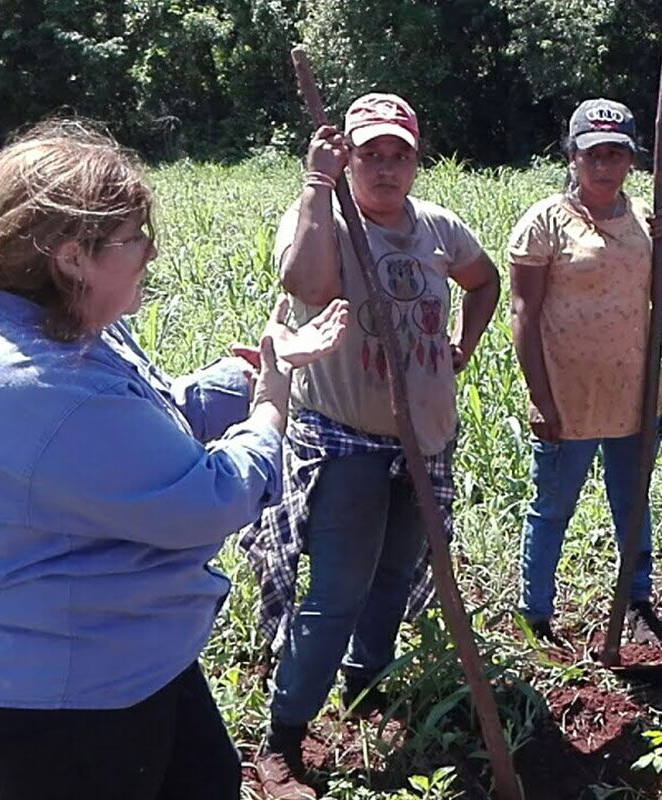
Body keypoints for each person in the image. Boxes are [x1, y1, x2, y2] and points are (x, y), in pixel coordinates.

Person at [0, 120, 349, 800]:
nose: (150, 251)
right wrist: (269, 409)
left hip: (131, 662)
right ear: (71, 257)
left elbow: (142, 420)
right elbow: (203, 503)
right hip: (71, 705)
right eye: (133, 236)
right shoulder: (42, 384)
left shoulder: (68, 336)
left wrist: (241, 379)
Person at [242, 93, 499, 799]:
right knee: (337, 594)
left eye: (399, 155)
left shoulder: (439, 228)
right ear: (347, 157)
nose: (386, 168)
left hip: (425, 441)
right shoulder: (321, 220)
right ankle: (283, 741)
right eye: (370, 154)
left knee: (393, 577)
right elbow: (304, 284)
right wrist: (316, 186)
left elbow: (485, 280)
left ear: (417, 160)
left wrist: (462, 347)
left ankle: (364, 686)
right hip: (347, 441)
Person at [508, 98, 662, 647]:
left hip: (633, 393)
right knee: (552, 508)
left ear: (630, 160)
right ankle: (536, 615)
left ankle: (636, 602)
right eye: (593, 155)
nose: (604, 166)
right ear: (573, 158)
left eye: (616, 154)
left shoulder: (643, 221)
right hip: (567, 396)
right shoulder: (545, 223)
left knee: (631, 505)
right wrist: (539, 397)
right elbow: (523, 312)